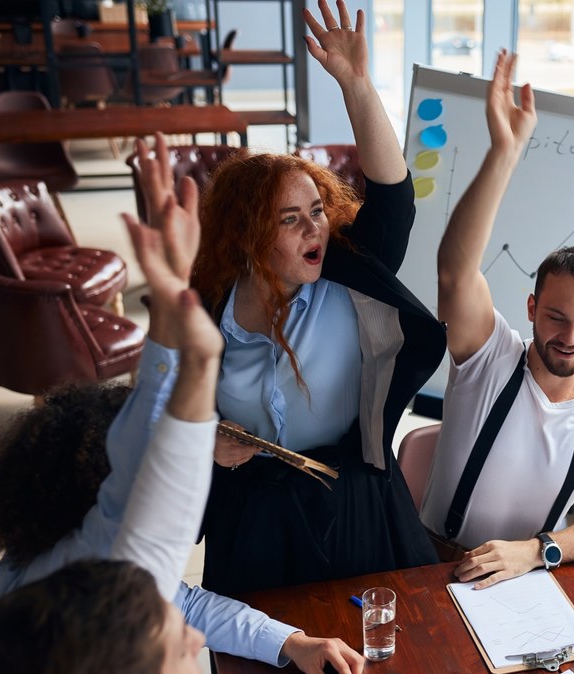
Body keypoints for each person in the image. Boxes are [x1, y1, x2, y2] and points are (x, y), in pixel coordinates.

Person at [0, 135, 365, 674]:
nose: (188, 643)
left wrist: (292, 642)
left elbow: (189, 599)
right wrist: (183, 324)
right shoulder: (98, 580)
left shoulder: (70, 582)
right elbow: (154, 486)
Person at [187, 0, 441, 595]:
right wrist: (203, 444)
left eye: (319, 212)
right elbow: (161, 416)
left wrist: (356, 85)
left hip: (349, 497)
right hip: (251, 511)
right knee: (260, 648)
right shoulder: (207, 310)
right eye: (292, 219)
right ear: (250, 235)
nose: (316, 230)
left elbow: (394, 200)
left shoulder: (348, 278)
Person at [0, 151, 225, 673]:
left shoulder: (44, 610)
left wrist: (178, 319)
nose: (195, 641)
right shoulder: (92, 600)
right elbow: (154, 513)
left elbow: (145, 506)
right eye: (175, 645)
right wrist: (194, 353)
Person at [420, 51, 574, 589]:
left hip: (527, 577)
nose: (570, 338)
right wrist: (505, 152)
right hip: (432, 566)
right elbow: (456, 274)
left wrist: (539, 550)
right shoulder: (490, 357)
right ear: (531, 308)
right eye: (555, 317)